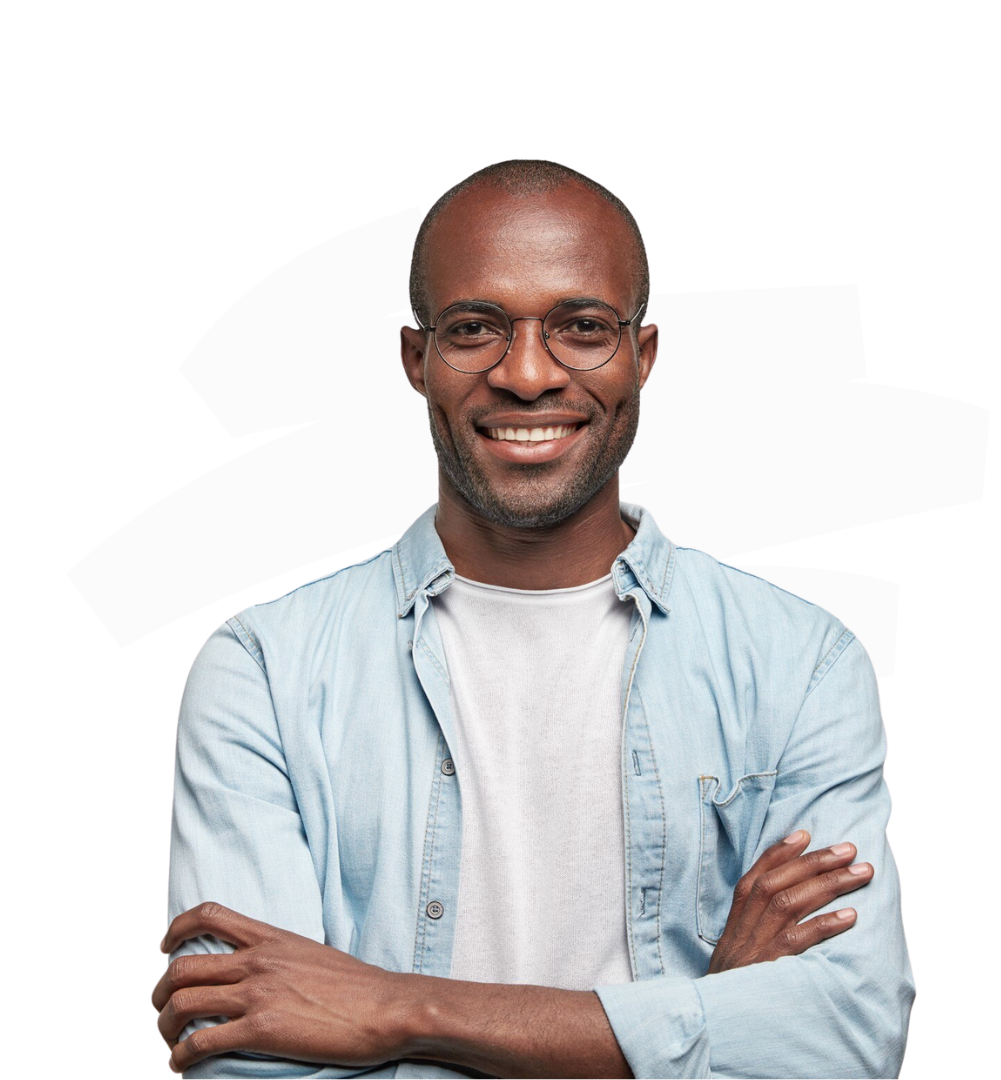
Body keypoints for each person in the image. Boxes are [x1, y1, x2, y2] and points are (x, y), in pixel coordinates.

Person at [152, 159, 915, 1078]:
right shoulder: (262, 671)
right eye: (474, 328)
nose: (525, 375)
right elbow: (248, 1062)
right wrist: (702, 1019)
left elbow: (850, 1039)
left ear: (643, 354)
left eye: (582, 329)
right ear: (417, 360)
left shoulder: (801, 662)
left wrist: (399, 1009)